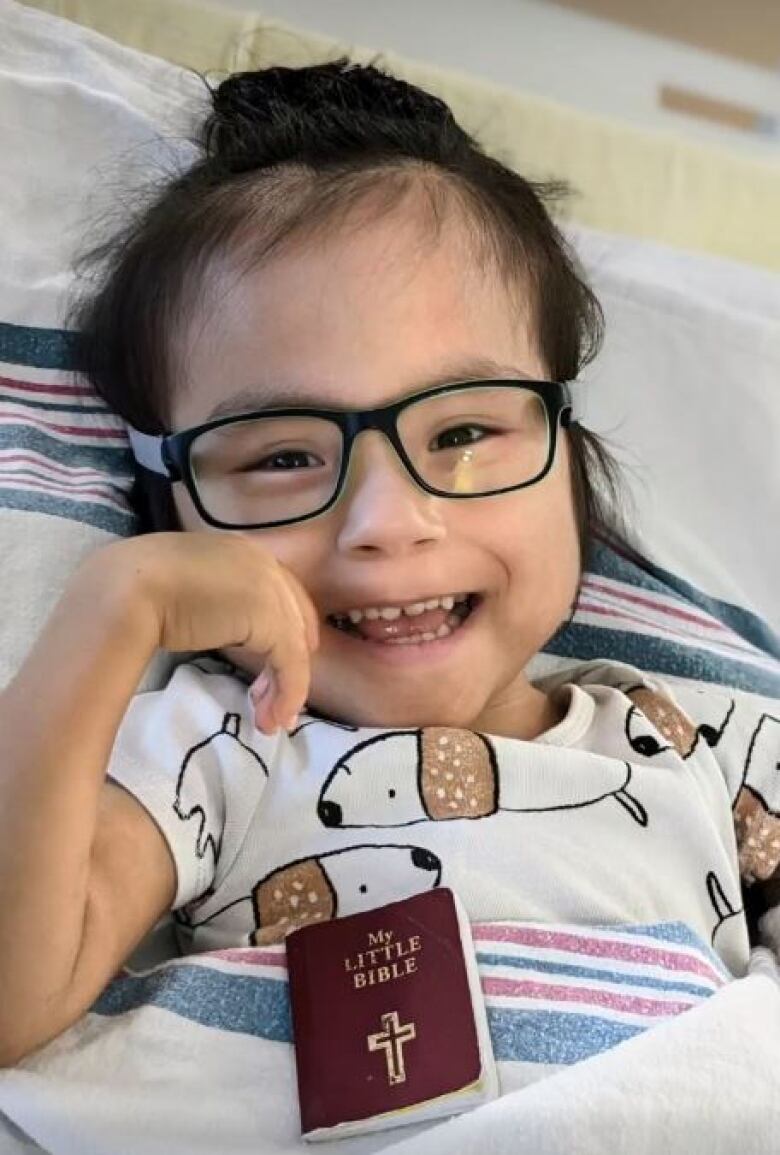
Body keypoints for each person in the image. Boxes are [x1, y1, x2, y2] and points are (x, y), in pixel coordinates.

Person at [0, 60, 777, 1069]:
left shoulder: (704, 747)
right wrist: (112, 613)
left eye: (463, 429)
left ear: (569, 456)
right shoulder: (214, 754)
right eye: (281, 456)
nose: (388, 521)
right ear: (173, 506)